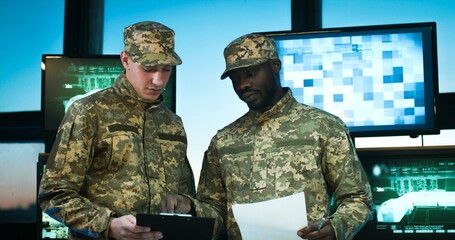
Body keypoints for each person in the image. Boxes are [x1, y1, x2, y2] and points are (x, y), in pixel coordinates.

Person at [161, 33, 374, 240]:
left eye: (251, 73)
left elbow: (358, 198)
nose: (242, 84)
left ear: (275, 66)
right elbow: (216, 213)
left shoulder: (324, 127)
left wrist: (336, 227)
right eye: (236, 78)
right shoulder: (223, 141)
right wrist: (190, 207)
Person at [39, 21, 195, 240]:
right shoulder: (88, 111)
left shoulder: (172, 123)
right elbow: (54, 195)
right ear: (125, 60)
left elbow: (187, 195)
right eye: (149, 69)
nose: (158, 80)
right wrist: (108, 226)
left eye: (166, 69)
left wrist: (185, 203)